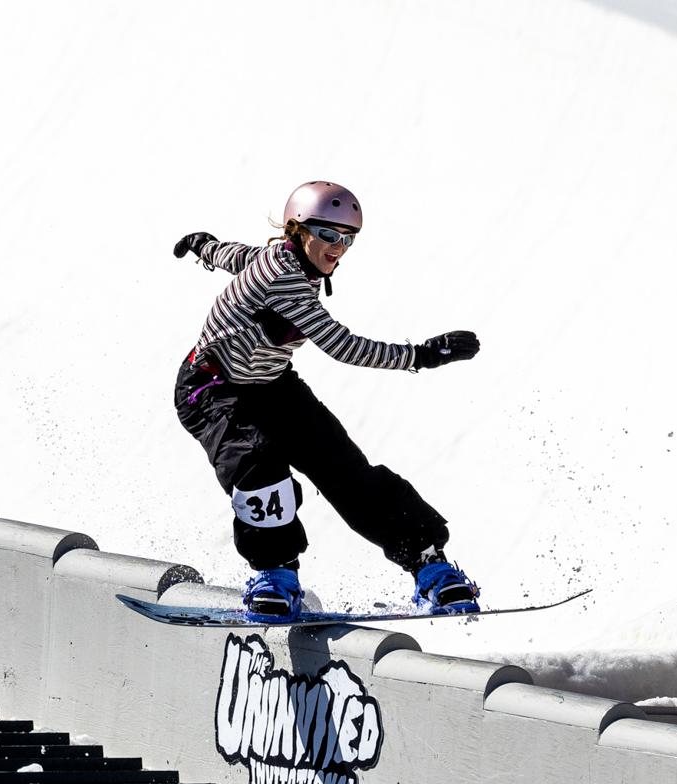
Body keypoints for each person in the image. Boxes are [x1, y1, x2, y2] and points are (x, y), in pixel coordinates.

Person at [172, 181, 481, 616]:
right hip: (211, 389)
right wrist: (423, 355)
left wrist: (205, 246)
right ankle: (276, 574)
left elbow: (237, 256)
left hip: (272, 385)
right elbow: (343, 345)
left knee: (345, 469)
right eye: (330, 235)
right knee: (260, 464)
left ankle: (429, 564)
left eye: (349, 238)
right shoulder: (285, 281)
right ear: (297, 231)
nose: (339, 248)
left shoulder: (283, 258)